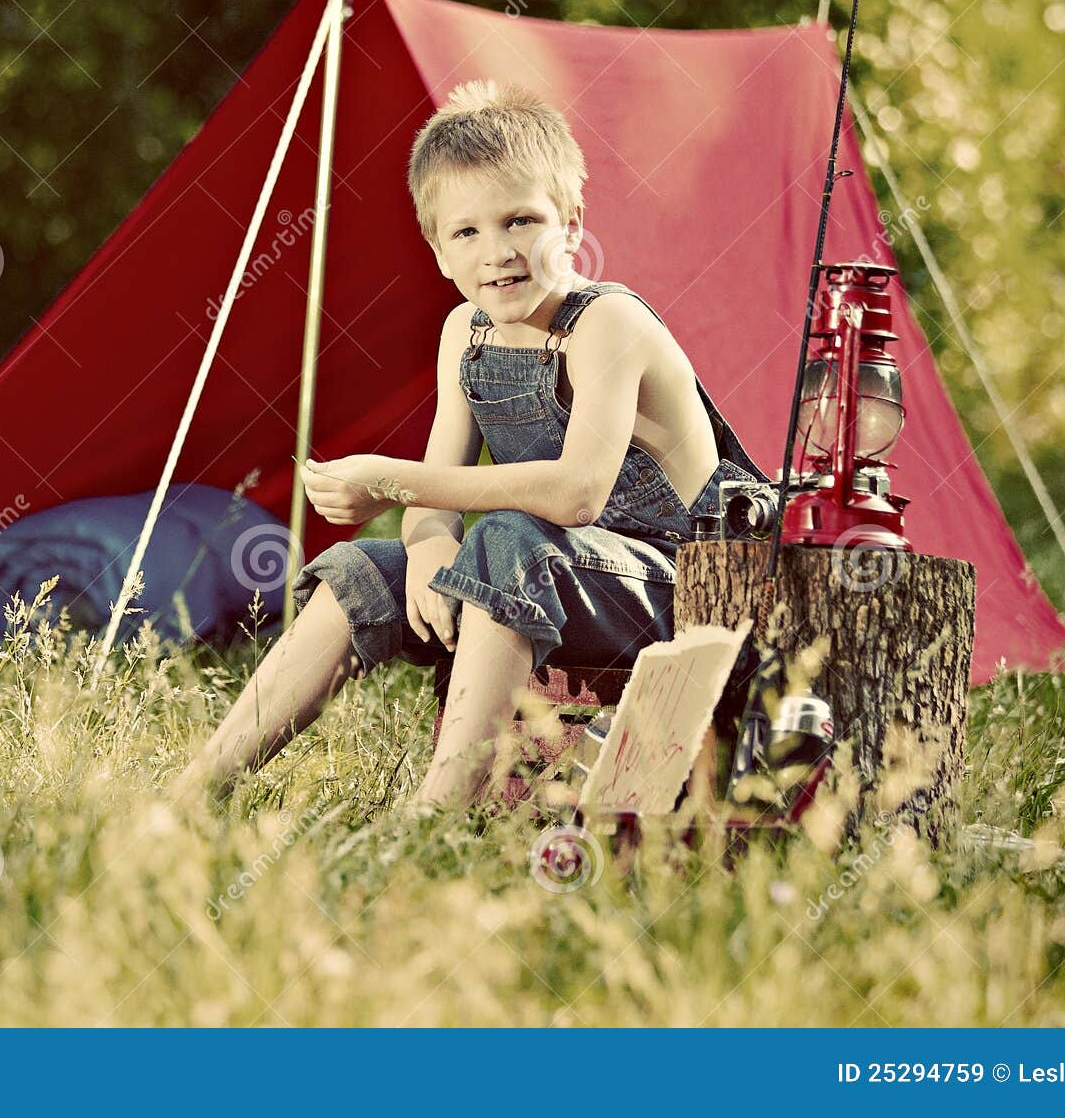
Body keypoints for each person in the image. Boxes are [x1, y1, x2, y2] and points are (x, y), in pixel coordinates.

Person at [172, 80, 765, 810]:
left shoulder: (606, 323)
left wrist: (394, 482)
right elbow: (438, 488)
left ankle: (439, 813)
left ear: (572, 221)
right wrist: (425, 549)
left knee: (512, 539)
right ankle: (196, 793)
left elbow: (576, 493)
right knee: (362, 567)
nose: (498, 253)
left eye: (521, 221)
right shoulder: (467, 334)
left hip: (683, 583)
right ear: (438, 249)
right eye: (467, 232)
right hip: (558, 574)